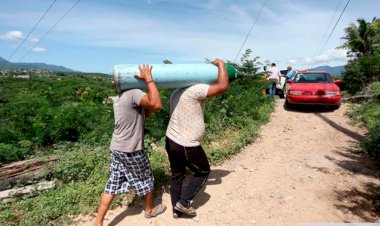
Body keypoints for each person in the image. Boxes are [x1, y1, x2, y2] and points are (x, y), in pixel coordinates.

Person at [94, 64, 166, 226]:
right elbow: (157, 105)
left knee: (113, 181)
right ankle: (149, 210)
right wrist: (149, 79)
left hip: (117, 147)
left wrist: (148, 95)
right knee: (146, 178)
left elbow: (146, 112)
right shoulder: (134, 93)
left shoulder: (120, 97)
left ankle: (98, 221)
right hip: (131, 149)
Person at [165, 58, 229, 218]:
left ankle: (176, 210)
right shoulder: (195, 89)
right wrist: (221, 65)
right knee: (203, 171)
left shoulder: (177, 91)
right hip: (186, 144)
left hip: (171, 139)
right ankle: (184, 202)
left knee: (177, 173)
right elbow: (222, 86)